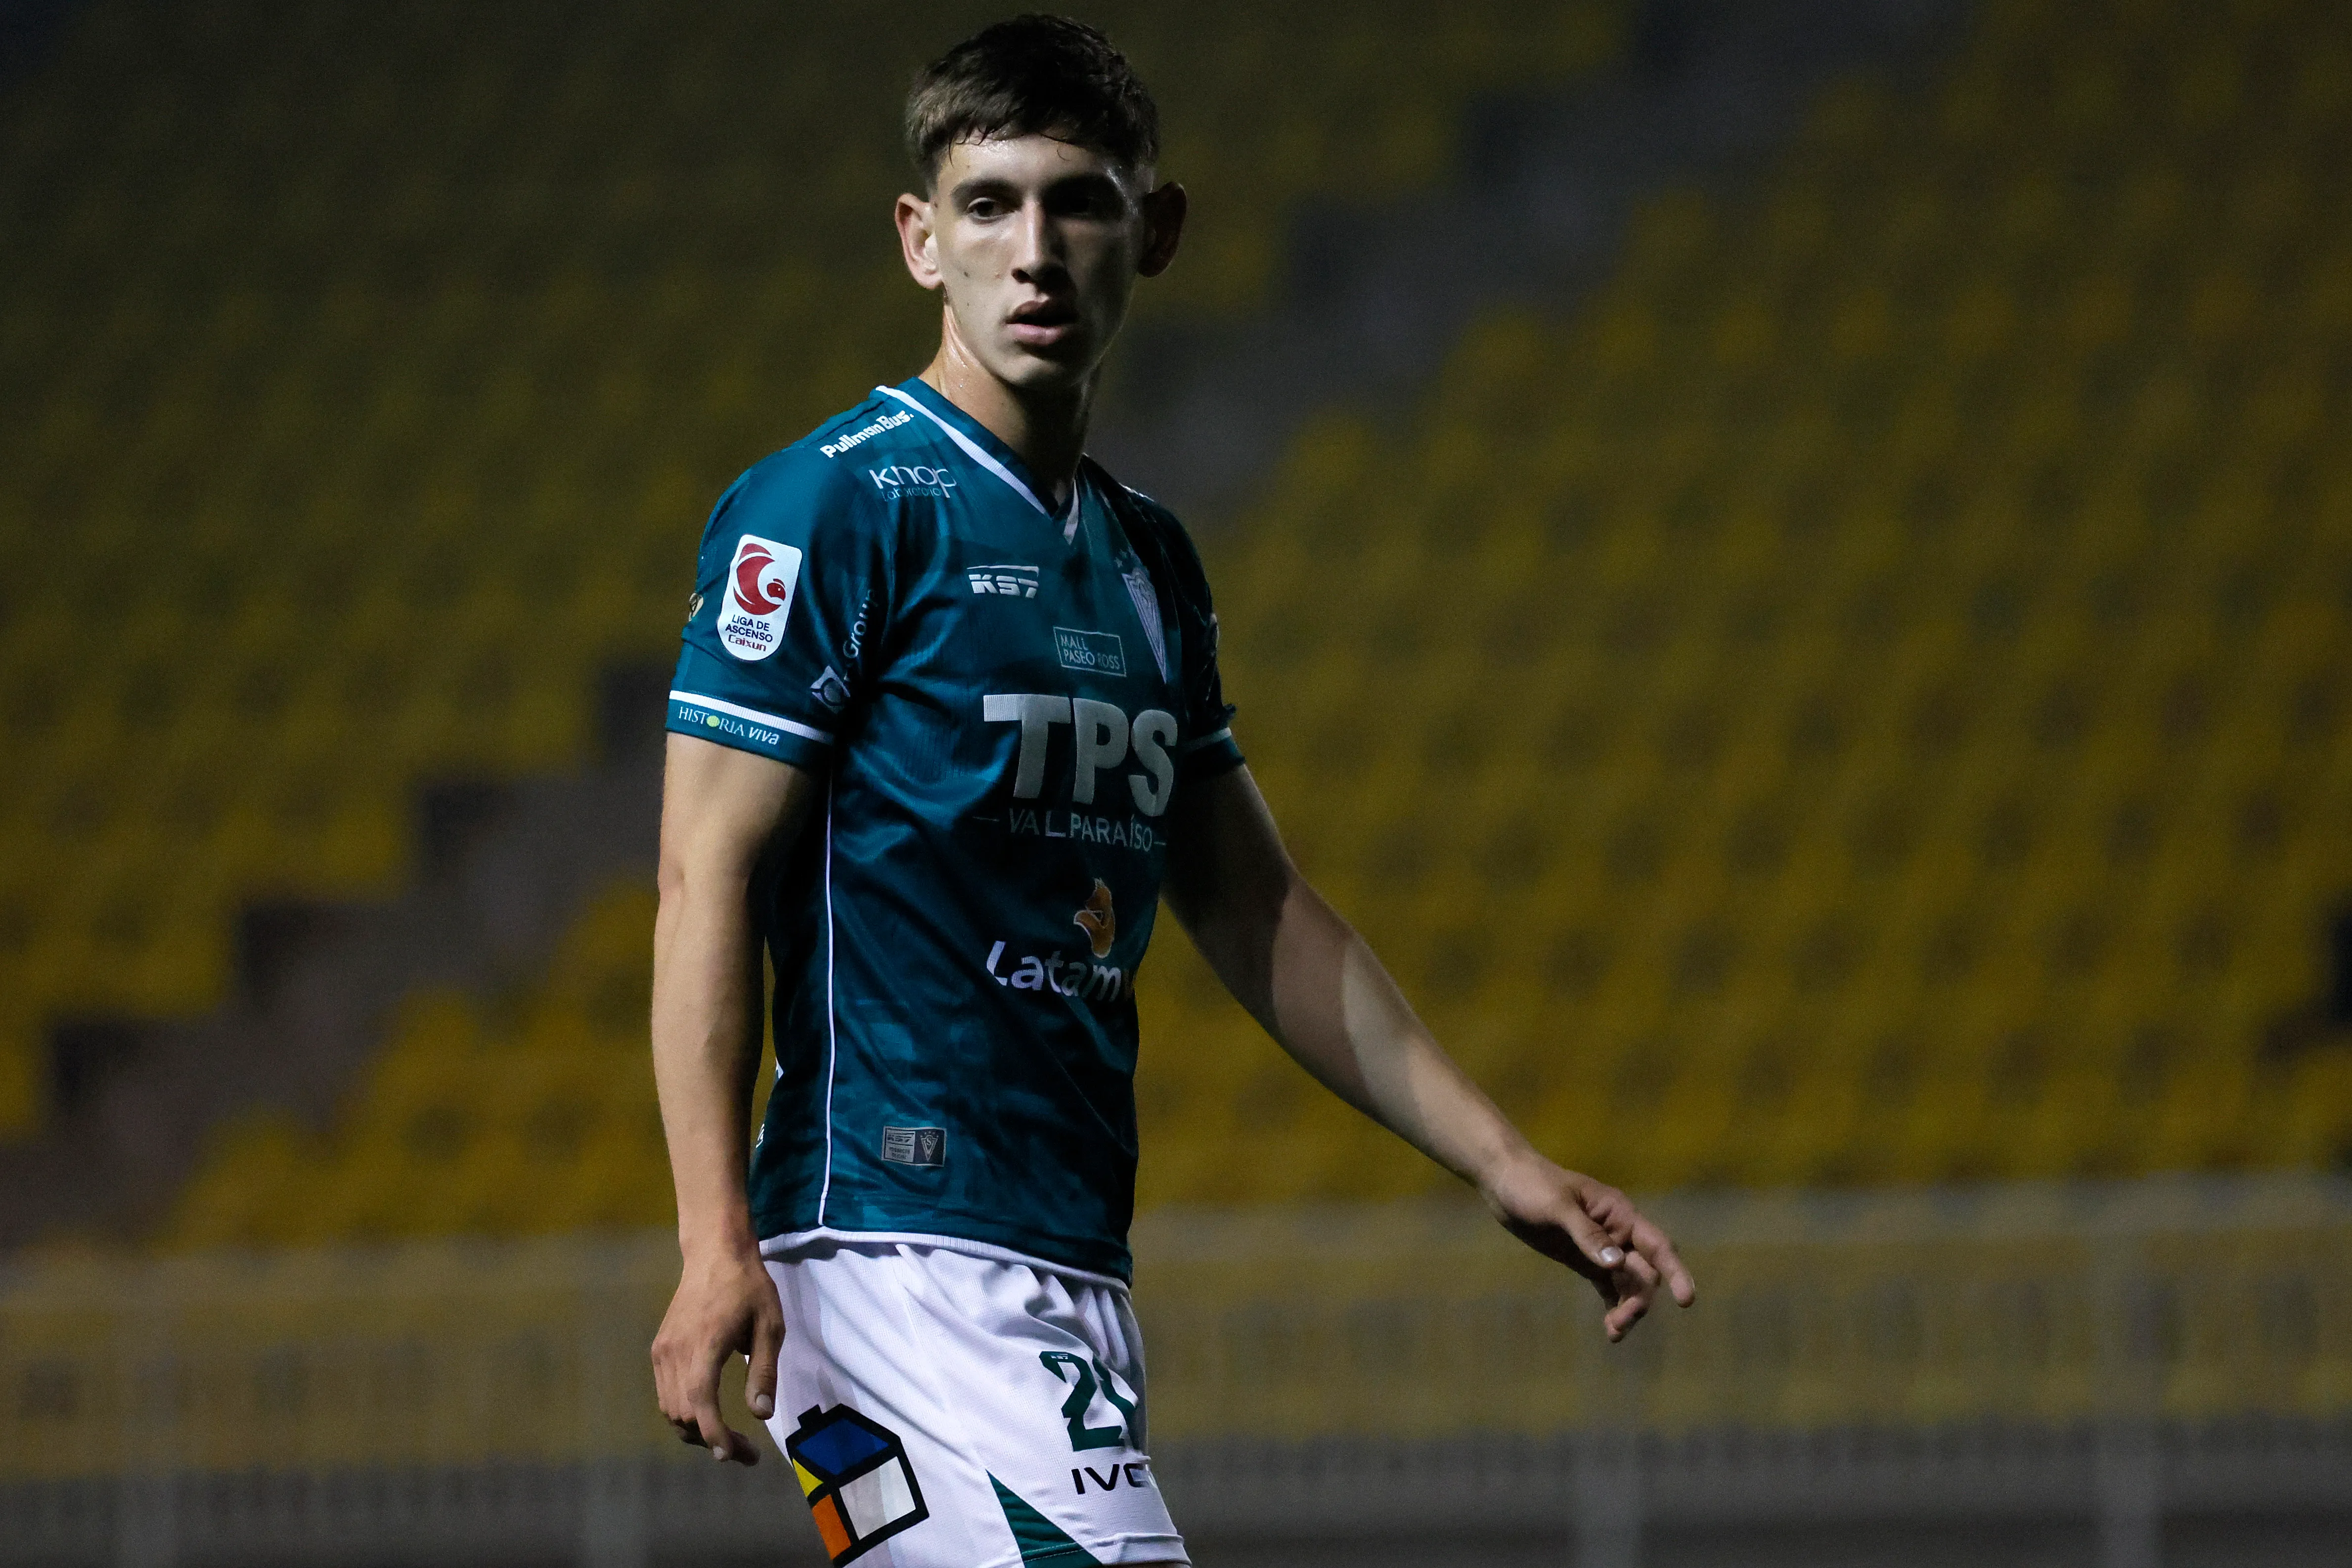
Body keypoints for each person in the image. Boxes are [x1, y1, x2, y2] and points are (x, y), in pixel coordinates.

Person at [648, 15, 1695, 1566]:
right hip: (881, 1259)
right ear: (918, 241)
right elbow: (700, 876)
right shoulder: (837, 504)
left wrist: (1502, 1159)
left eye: (1079, 202)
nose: (1036, 250)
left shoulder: (1147, 565)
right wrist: (709, 1239)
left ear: (1159, 231)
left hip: (1066, 1264)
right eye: (989, 204)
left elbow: (1251, 897)